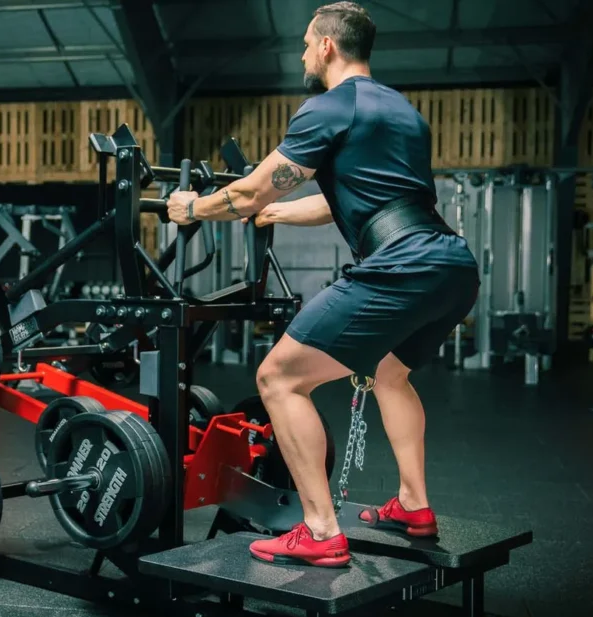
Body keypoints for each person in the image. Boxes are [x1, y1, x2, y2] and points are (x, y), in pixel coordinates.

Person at [166, 1, 479, 568]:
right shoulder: (403, 111)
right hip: (450, 263)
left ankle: (318, 530)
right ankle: (414, 503)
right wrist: (277, 216)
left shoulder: (325, 107)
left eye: (308, 45)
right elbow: (365, 204)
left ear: (329, 46)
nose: (304, 54)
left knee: (278, 378)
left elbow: (251, 190)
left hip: (399, 266)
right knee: (390, 373)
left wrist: (192, 206)